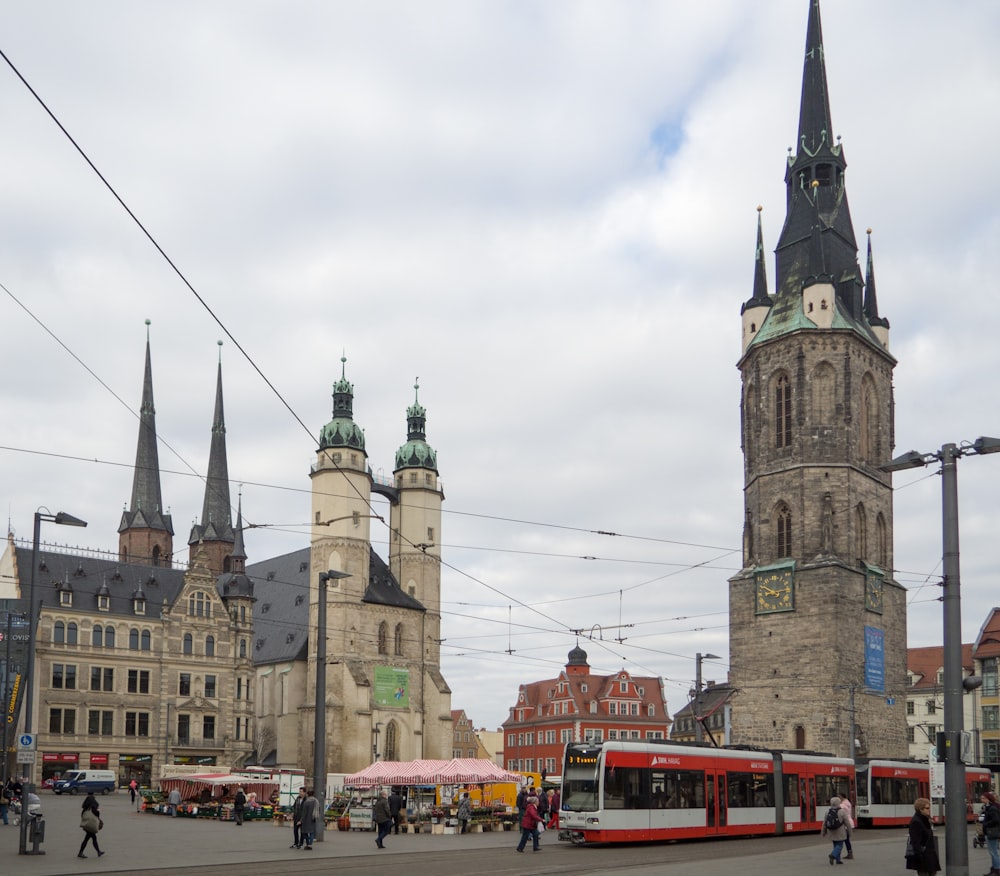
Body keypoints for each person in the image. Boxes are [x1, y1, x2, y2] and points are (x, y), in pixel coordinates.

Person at [906, 797, 940, 876]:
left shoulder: (925, 819)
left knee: (933, 872)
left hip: (929, 854)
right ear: (920, 809)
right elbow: (915, 841)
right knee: (923, 873)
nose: (929, 810)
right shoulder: (916, 821)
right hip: (923, 855)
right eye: (927, 808)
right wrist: (919, 855)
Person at [820, 795, 850, 865]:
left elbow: (824, 822)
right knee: (840, 845)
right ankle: (833, 855)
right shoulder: (842, 811)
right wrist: (849, 831)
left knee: (835, 845)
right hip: (840, 831)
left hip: (831, 831)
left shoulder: (828, 811)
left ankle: (838, 860)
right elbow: (847, 822)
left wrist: (823, 831)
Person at [78, 791, 104, 859]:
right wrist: (98, 813)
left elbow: (82, 814)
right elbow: (96, 814)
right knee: (88, 839)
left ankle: (98, 851)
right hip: (91, 825)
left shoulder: (86, 806)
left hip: (87, 824)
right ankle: (80, 852)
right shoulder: (93, 804)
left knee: (92, 838)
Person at [980, 791, 1000, 876]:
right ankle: (994, 869)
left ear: (989, 799)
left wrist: (985, 824)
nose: (982, 800)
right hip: (990, 831)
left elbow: (996, 820)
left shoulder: (992, 808)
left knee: (993, 852)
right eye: (981, 798)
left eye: (984, 798)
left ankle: (996, 870)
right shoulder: (990, 807)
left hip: (991, 832)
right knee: (992, 852)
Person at [839, 794, 856, 860]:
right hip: (849, 822)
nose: (838, 798)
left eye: (839, 797)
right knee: (846, 839)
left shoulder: (843, 805)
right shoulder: (848, 803)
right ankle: (850, 853)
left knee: (842, 839)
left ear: (842, 797)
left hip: (845, 824)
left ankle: (837, 853)